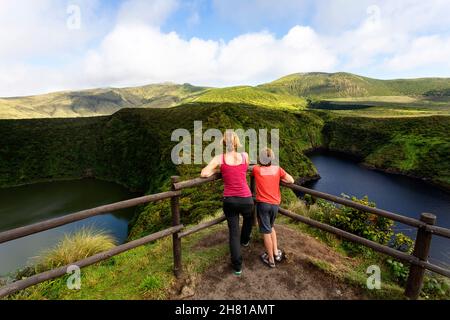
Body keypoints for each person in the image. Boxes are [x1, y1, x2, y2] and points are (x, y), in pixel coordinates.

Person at [201, 131, 253, 276]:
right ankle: (245, 240)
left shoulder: (220, 158)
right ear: (236, 143)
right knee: (249, 219)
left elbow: (204, 173)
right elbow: (244, 169)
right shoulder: (245, 156)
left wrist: (218, 169)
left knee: (233, 233)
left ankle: (237, 267)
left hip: (230, 200)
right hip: (246, 198)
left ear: (224, 143)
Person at [252, 148, 294, 268]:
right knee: (271, 227)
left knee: (266, 231)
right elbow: (291, 180)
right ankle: (276, 253)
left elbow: (253, 168)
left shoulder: (256, 169)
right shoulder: (277, 169)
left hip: (263, 205)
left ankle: (270, 259)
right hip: (275, 204)